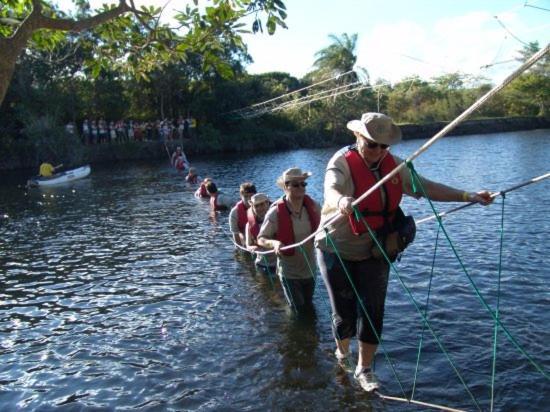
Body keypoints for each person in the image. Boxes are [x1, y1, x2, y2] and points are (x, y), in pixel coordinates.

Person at [315, 112, 494, 393]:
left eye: (384, 146)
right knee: (344, 312)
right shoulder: (340, 162)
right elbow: (331, 188)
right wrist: (342, 201)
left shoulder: (393, 167)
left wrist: (468, 195)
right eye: (371, 144)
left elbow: (425, 187)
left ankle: (364, 368)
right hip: (335, 246)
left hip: (375, 249)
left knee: (374, 309)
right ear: (357, 137)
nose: (378, 151)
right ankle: (342, 351)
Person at [257, 168, 321, 312]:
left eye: (303, 184)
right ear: (286, 187)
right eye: (296, 184)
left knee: (309, 305)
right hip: (289, 272)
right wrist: (274, 243)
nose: (301, 188)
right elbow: (261, 239)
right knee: (298, 309)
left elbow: (326, 224)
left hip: (310, 270)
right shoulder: (275, 212)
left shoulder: (313, 206)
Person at [245, 193, 277, 272]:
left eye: (262, 204)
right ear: (252, 207)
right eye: (256, 206)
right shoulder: (249, 225)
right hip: (262, 264)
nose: (259, 208)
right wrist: (253, 248)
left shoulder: (277, 218)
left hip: (279, 263)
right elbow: (248, 245)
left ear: (267, 203)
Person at [229, 182, 257, 247]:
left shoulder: (263, 207)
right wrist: (240, 250)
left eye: (251, 196)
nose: (248, 199)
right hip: (244, 237)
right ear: (241, 196)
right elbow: (235, 234)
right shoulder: (234, 213)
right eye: (246, 196)